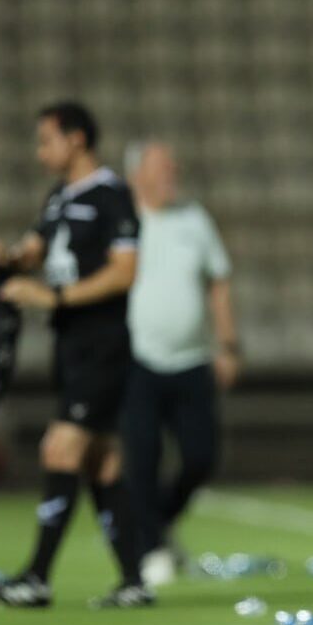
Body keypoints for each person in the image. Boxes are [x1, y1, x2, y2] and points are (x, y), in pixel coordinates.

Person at [0, 101, 152, 608]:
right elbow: (32, 251)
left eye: (46, 140)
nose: (39, 152)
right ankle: (134, 582)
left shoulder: (112, 195)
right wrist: (3, 256)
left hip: (102, 343)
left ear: (76, 139)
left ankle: (36, 578)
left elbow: (125, 272)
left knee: (60, 448)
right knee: (101, 462)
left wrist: (54, 297)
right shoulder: (59, 197)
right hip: (71, 344)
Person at [121, 141, 240, 586]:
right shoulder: (122, 222)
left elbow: (218, 281)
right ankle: (151, 547)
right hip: (136, 360)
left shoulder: (194, 218)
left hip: (192, 359)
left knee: (200, 456)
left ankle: (158, 523)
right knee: (142, 458)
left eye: (173, 167)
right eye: (162, 168)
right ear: (137, 175)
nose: (172, 174)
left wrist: (228, 345)